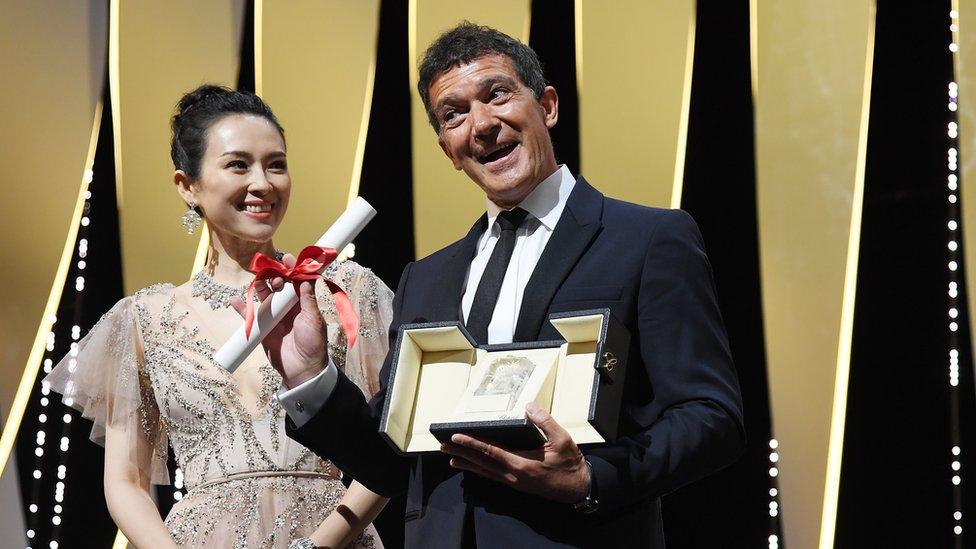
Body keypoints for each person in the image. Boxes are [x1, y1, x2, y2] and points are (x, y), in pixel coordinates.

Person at [272, 23, 746, 548]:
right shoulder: (425, 279)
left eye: (497, 94)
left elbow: (711, 419)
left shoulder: (649, 239)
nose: (481, 124)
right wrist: (312, 376)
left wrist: (591, 479)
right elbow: (391, 463)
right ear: (448, 150)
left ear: (547, 106)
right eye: (454, 114)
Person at [44, 85, 392, 549]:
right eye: (238, 164)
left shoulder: (342, 289)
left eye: (276, 164)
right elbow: (126, 480)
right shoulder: (143, 319)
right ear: (188, 186)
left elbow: (392, 445)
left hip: (335, 537)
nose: (263, 183)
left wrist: (321, 544)